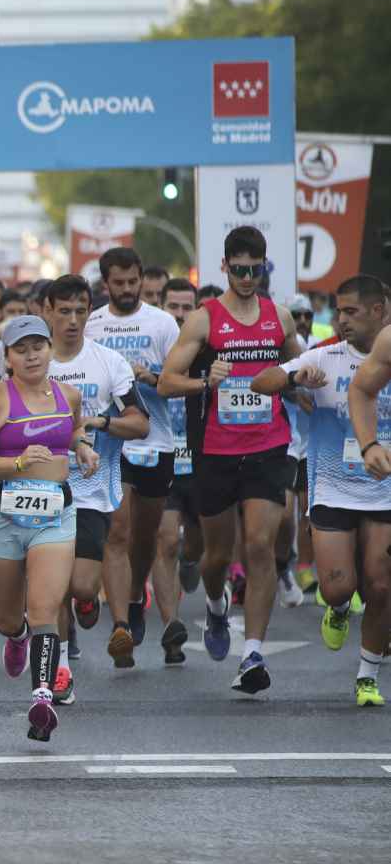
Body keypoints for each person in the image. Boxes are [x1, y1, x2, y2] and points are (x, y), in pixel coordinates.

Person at [158, 226, 304, 694]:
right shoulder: (204, 319)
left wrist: (302, 381)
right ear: (224, 267)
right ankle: (217, 606)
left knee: (260, 545)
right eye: (237, 269)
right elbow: (165, 383)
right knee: (215, 556)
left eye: (253, 269)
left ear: (264, 267)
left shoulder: (279, 318)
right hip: (216, 451)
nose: (245, 277)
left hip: (267, 445)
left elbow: (296, 372)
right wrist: (206, 381)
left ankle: (253, 654)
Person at [0, 315, 97, 740]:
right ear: (8, 358)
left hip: (54, 516)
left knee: (44, 611)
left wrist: (83, 449)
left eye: (39, 345)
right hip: (3, 516)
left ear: (50, 349)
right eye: (22, 348)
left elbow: (71, 432)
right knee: (8, 618)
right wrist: (16, 463)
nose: (32, 354)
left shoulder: (69, 395)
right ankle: (15, 636)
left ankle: (41, 698)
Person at [258, 275, 390, 707]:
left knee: (381, 586)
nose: (342, 319)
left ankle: (367, 677)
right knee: (337, 588)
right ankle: (335, 607)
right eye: (339, 311)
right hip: (333, 488)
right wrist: (294, 382)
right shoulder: (326, 356)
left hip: (384, 489)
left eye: (351, 311)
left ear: (378, 310)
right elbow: (262, 381)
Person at [44, 274, 147, 701]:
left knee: (83, 585)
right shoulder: (32, 362)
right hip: (40, 486)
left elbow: (140, 424)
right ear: (46, 311)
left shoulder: (109, 363)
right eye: (63, 311)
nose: (72, 320)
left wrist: (99, 422)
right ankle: (62, 666)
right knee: (55, 586)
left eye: (80, 311)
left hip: (88, 491)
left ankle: (92, 604)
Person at [85, 246, 182, 668]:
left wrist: (152, 377)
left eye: (133, 282)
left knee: (148, 537)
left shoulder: (163, 324)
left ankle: (134, 595)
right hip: (112, 443)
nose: (126, 289)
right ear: (105, 284)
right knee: (119, 532)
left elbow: (180, 383)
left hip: (156, 440)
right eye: (118, 283)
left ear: (142, 280)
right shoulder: (91, 326)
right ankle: (121, 625)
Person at [155, 279, 204, 661]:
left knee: (198, 543)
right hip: (164, 454)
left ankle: (192, 560)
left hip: (204, 456)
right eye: (174, 306)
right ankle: (172, 627)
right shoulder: (152, 345)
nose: (180, 314)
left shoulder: (206, 348)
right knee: (166, 538)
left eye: (188, 307)